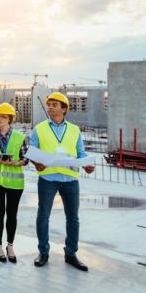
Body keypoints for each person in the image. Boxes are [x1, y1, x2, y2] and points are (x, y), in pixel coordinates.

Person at [31, 92, 95, 271]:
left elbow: (80, 153)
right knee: (43, 216)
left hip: (70, 180)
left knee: (73, 218)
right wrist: (37, 163)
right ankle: (43, 252)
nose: (50, 107)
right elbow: (32, 151)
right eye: (49, 104)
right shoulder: (39, 128)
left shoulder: (74, 130)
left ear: (64, 108)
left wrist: (87, 165)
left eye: (54, 104)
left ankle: (71, 253)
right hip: (48, 178)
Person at [0, 103, 28, 263]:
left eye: (3, 116)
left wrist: (15, 163)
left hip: (15, 183)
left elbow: (25, 159)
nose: (0, 119)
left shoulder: (19, 137)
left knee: (12, 214)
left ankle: (10, 245)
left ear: (10, 119)